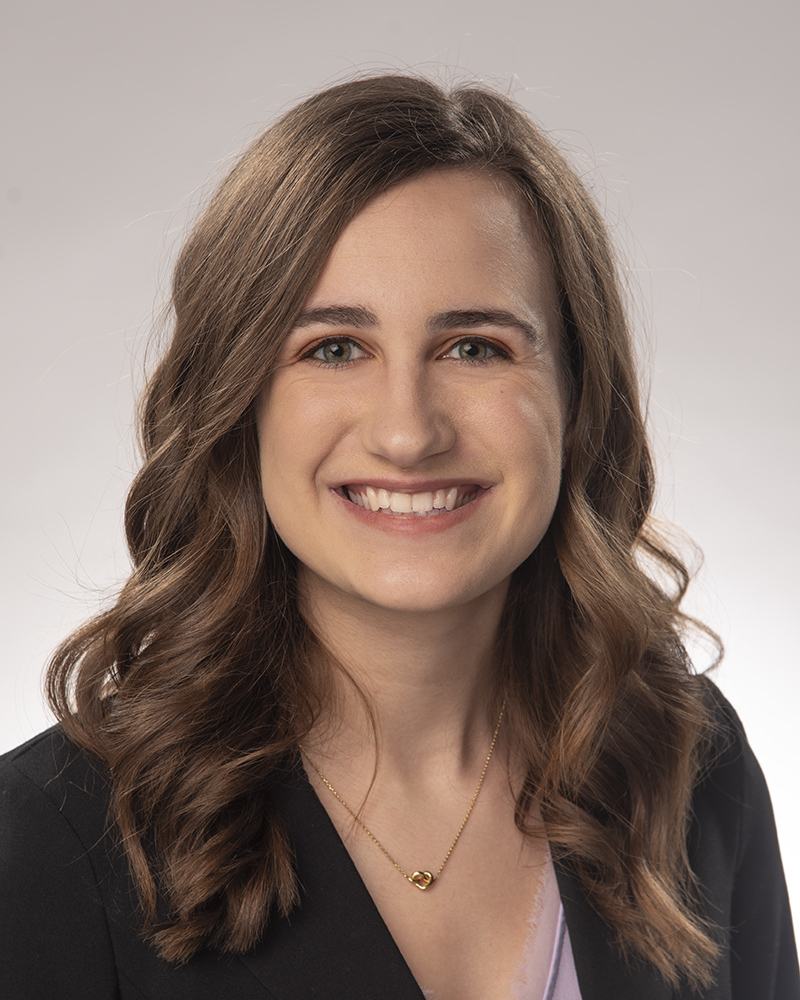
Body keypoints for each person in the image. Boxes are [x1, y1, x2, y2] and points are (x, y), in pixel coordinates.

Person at [0, 73, 797, 1000]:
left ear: (579, 396)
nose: (408, 433)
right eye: (334, 349)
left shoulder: (688, 768)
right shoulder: (49, 843)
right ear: (239, 403)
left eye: (476, 347)